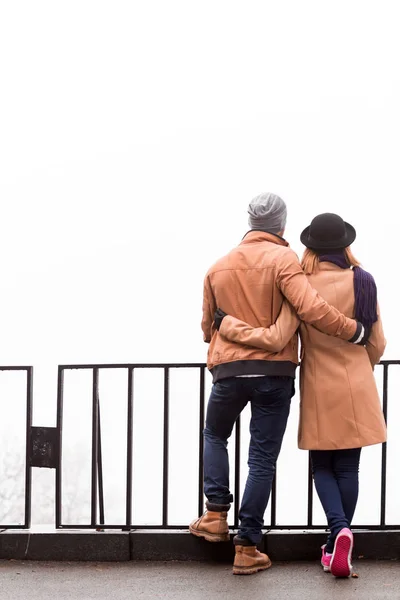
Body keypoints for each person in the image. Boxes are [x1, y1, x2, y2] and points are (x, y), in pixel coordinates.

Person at [189, 195, 366, 576]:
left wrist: (235, 332)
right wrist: (352, 330)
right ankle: (247, 546)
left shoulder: (218, 267)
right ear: (282, 226)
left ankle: (216, 514)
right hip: (274, 374)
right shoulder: (284, 260)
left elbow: (207, 329)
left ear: (250, 221)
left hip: (229, 372)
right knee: (261, 458)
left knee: (214, 435)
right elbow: (311, 308)